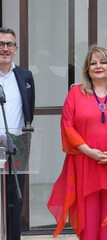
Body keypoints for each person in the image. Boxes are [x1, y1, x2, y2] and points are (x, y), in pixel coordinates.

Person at [47, 44, 107, 240]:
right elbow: (67, 126)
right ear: (87, 69)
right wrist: (89, 151)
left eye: (103, 62)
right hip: (85, 162)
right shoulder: (76, 94)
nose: (98, 66)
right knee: (88, 211)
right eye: (93, 63)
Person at [0, 27, 35, 240]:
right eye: (0, 44)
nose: (5, 48)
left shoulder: (25, 76)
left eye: (9, 44)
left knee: (14, 202)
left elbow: (29, 111)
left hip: (17, 147)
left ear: (16, 48)